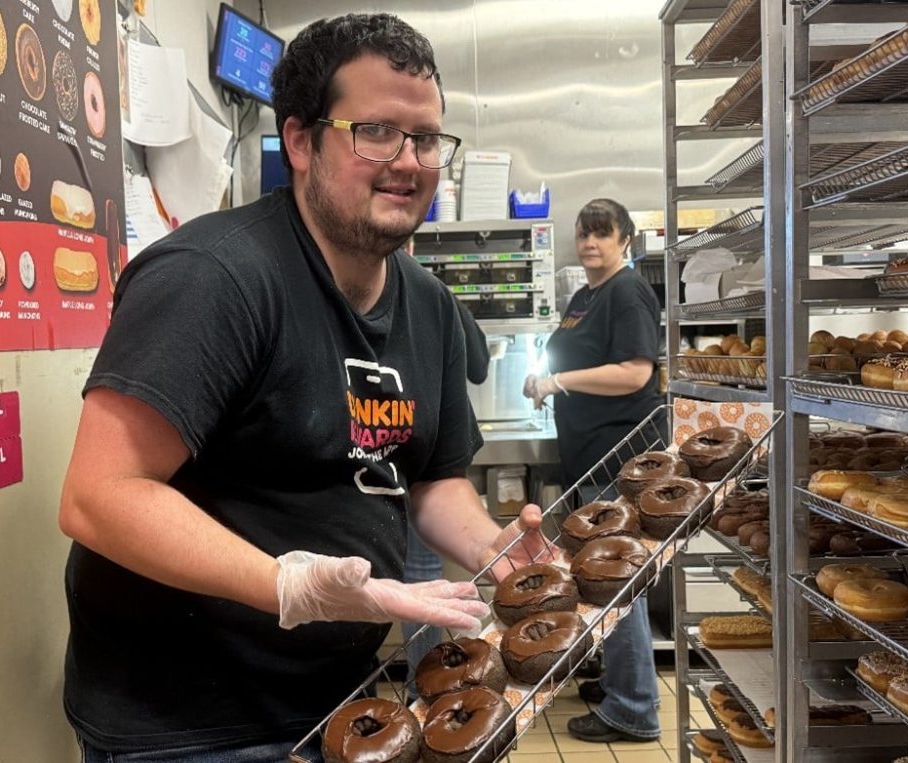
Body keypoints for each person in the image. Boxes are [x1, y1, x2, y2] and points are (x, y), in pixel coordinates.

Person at [58, 14, 549, 763]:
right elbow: (99, 494)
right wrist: (289, 585)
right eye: (376, 131)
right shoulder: (214, 278)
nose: (410, 161)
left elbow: (431, 484)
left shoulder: (432, 307)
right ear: (299, 141)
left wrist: (497, 547)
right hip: (187, 724)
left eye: (426, 139)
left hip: (339, 704)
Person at [523, 198, 664, 745]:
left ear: (625, 239)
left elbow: (634, 374)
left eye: (602, 234)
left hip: (619, 459)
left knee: (617, 581)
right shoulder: (586, 295)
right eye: (583, 234)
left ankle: (634, 708)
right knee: (602, 578)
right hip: (590, 453)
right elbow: (575, 360)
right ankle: (616, 684)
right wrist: (544, 382)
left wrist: (558, 383)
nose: (590, 243)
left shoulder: (628, 291)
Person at [402, 298, 490, 702]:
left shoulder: (432, 300)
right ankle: (426, 687)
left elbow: (476, 366)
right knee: (420, 576)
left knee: (419, 578)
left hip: (420, 460)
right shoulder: (443, 300)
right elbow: (481, 366)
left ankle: (423, 685)